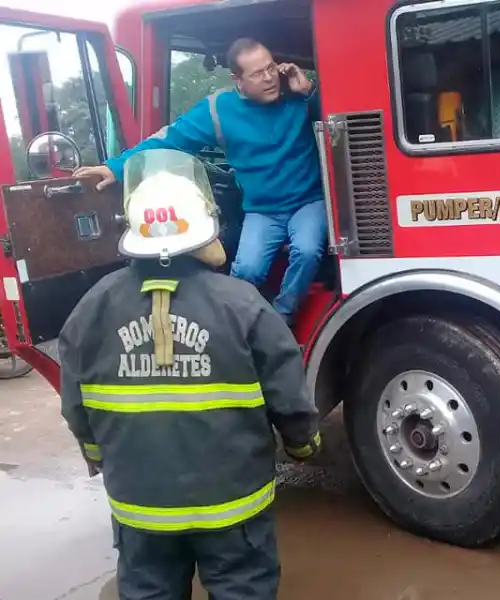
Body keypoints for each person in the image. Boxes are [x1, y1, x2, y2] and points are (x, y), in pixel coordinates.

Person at [59, 148, 321, 600]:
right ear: (205, 228)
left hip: (141, 510)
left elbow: (76, 404)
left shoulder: (91, 308)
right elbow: (287, 392)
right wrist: (303, 443)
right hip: (233, 508)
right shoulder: (243, 304)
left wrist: (95, 452)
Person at [74, 38, 326, 325]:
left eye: (271, 68)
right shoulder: (219, 110)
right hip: (263, 209)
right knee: (246, 270)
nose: (269, 78)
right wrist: (116, 168)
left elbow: (339, 121)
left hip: (309, 200)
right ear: (238, 80)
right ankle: (236, 326)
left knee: (307, 251)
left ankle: (283, 318)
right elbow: (170, 140)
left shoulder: (298, 95)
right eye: (257, 73)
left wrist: (309, 91)